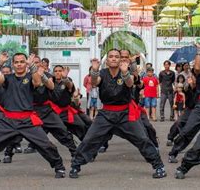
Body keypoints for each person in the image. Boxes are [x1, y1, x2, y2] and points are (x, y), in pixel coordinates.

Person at [69, 49, 166, 179]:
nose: (114, 58)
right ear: (107, 60)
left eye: (116, 57)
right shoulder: (102, 73)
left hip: (125, 113)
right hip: (106, 114)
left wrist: (125, 72)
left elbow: (130, 83)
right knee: (89, 139)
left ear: (120, 60)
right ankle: (76, 165)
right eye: (111, 57)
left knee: (142, 139)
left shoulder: (127, 72)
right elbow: (94, 82)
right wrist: (94, 70)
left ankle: (159, 166)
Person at [0, 52, 66, 179]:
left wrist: (32, 65)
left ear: (26, 63)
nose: (19, 64)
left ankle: (59, 167)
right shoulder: (7, 78)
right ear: (13, 64)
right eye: (16, 62)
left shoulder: (31, 76)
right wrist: (0, 63)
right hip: (8, 121)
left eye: (22, 62)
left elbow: (37, 82)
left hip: (27, 120)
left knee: (46, 145)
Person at [49, 65, 88, 141]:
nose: (58, 73)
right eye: (56, 71)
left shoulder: (67, 80)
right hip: (53, 112)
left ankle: (85, 143)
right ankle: (32, 145)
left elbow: (69, 85)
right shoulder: (51, 81)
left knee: (81, 125)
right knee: (43, 127)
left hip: (66, 111)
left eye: (60, 71)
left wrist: (65, 78)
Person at [167, 75, 196, 146]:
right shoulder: (187, 87)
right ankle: (170, 138)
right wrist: (189, 83)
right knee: (179, 122)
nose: (192, 79)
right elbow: (183, 90)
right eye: (191, 78)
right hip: (190, 109)